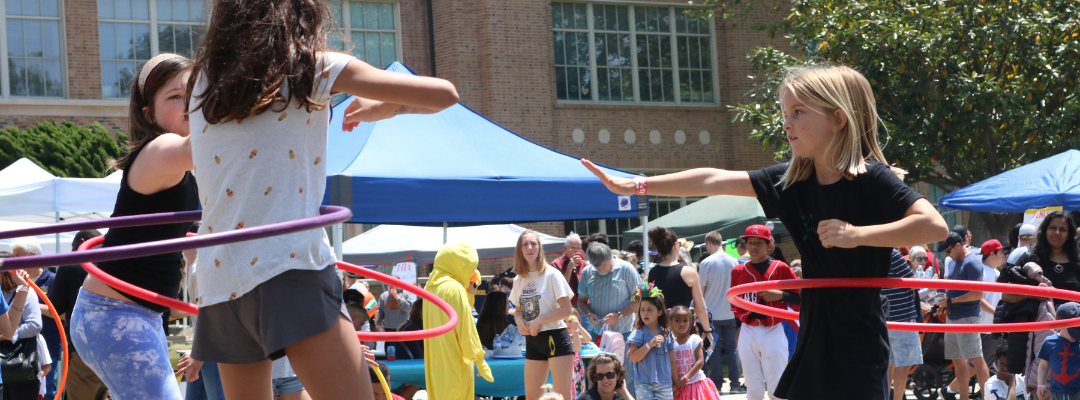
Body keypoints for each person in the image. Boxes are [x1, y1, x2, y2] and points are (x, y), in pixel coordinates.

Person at [583, 64, 949, 399]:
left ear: (838, 119)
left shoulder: (870, 178)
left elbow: (934, 225)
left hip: (858, 330)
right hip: (813, 324)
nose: (786, 124)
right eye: (785, 114)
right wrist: (637, 186)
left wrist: (856, 234)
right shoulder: (791, 180)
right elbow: (713, 178)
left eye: (798, 113)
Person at [186, 0, 460, 395]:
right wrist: (387, 107)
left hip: (219, 280)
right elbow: (444, 95)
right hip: (287, 266)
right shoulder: (310, 66)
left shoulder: (203, 83)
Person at [63, 52, 195, 400]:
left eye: (197, 92)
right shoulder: (163, 148)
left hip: (137, 314)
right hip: (115, 314)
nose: (191, 104)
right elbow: (216, 145)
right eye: (176, 96)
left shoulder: (184, 168)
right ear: (148, 113)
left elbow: (191, 245)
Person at [730, 224, 800, 400]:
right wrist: (738, 328)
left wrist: (780, 295)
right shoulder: (738, 271)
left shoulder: (781, 267)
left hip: (773, 329)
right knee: (753, 386)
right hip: (748, 329)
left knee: (777, 386)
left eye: (759, 243)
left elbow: (801, 298)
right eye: (750, 242)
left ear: (769, 245)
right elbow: (734, 303)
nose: (753, 246)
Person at [510, 230, 575, 400]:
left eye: (534, 243)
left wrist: (539, 320)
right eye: (525, 244)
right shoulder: (518, 279)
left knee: (562, 397)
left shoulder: (552, 274)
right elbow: (517, 310)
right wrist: (519, 321)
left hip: (556, 337)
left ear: (539, 248)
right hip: (533, 340)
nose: (530, 247)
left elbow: (567, 310)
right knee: (532, 397)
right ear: (520, 249)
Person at [423, 243, 493, 400]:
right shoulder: (455, 289)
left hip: (436, 364)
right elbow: (466, 328)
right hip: (454, 362)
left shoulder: (430, 286)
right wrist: (480, 361)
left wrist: (468, 290)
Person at [47, 230, 105, 400]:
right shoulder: (116, 262)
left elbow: (55, 308)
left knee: (82, 395)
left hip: (84, 344)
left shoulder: (71, 264)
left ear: (82, 241)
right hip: (118, 340)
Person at [578, 242, 642, 393]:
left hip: (624, 333)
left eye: (603, 265)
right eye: (596, 266)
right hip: (597, 335)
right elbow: (580, 302)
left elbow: (639, 300)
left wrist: (619, 315)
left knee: (626, 376)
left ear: (610, 257)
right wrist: (588, 314)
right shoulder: (588, 272)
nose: (600, 269)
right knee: (598, 377)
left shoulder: (626, 269)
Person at [939, 232, 991, 400]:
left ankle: (987, 397)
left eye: (948, 251)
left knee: (976, 359)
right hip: (953, 316)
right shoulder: (953, 261)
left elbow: (978, 294)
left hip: (967, 317)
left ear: (958, 245)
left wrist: (951, 301)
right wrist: (942, 301)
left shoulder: (973, 262)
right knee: (958, 360)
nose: (947, 255)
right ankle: (963, 397)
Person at [10, 237, 61, 399]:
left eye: (17, 256)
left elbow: (61, 312)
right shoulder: (14, 281)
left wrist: (29, 304)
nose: (13, 261)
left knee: (46, 388)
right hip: (17, 347)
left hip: (46, 345)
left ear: (31, 255)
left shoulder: (53, 279)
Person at [644, 227, 711, 347]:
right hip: (682, 331)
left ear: (658, 250)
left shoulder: (650, 273)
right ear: (676, 246)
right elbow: (700, 307)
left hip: (658, 332)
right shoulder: (689, 273)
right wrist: (707, 330)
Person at [697, 231, 743, 394]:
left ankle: (716, 386)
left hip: (712, 315)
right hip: (731, 312)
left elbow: (700, 291)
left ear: (709, 243)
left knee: (713, 350)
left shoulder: (706, 263)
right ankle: (735, 385)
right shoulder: (734, 261)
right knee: (733, 349)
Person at [883, 249, 922, 400]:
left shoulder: (873, 252)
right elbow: (913, 282)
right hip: (902, 318)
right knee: (904, 365)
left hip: (885, 317)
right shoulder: (892, 253)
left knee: (889, 365)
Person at [1017, 212, 1080, 304]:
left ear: (1068, 235)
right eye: (1053, 228)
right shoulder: (1028, 259)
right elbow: (1006, 295)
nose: (1057, 232)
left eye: (1062, 229)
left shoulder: (1078, 262)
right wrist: (1034, 294)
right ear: (1045, 231)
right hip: (1038, 317)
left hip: (1072, 317)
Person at [626, 285, 675, 400]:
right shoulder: (638, 333)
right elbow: (633, 357)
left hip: (665, 383)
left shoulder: (667, 334)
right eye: (642, 310)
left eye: (650, 310)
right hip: (644, 384)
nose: (645, 313)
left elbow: (672, 360)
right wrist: (649, 345)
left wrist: (675, 381)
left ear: (659, 312)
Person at [668, 306, 721, 400]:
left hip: (696, 385)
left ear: (690, 323)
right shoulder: (669, 343)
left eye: (685, 320)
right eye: (677, 320)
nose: (682, 324)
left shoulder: (694, 340)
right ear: (670, 322)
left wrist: (686, 377)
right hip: (679, 386)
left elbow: (700, 361)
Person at [1036, 302, 1080, 400]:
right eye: (1074, 332)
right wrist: (1040, 385)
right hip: (1056, 392)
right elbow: (1043, 365)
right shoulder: (1050, 342)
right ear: (1060, 323)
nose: (1076, 336)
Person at [980, 240, 1007, 375]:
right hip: (985, 327)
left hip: (996, 327)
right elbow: (979, 299)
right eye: (1001, 252)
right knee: (980, 364)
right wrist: (997, 313)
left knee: (991, 365)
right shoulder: (980, 272)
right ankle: (951, 389)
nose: (1004, 255)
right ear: (992, 253)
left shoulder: (997, 272)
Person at [551, 233, 586, 307]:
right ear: (565, 248)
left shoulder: (584, 264)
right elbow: (559, 288)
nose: (576, 251)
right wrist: (569, 268)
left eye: (578, 248)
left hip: (584, 306)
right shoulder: (556, 264)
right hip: (567, 306)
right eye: (573, 248)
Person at [568, 311, 593, 399]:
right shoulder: (561, 337)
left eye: (570, 321)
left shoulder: (575, 336)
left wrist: (577, 326)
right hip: (567, 369)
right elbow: (576, 347)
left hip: (577, 369)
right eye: (564, 321)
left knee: (578, 392)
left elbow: (588, 338)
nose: (568, 324)